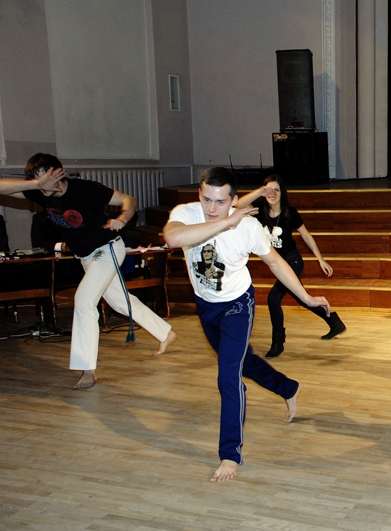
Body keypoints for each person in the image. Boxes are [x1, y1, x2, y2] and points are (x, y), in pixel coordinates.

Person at [163, 167, 330, 482]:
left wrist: (306, 298)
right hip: (206, 305)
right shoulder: (186, 213)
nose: (212, 209)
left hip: (238, 305)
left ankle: (230, 455)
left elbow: (276, 262)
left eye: (221, 202)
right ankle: (288, 387)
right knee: (245, 362)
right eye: (207, 200)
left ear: (234, 199)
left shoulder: (249, 227)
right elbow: (172, 237)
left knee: (228, 375)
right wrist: (225, 220)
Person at [0, 153, 177, 389]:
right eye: (35, 181)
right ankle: (165, 333)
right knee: (119, 301)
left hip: (109, 249)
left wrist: (122, 219)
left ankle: (87, 369)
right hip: (86, 256)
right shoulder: (40, 192)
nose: (41, 187)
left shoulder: (85, 189)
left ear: (58, 172)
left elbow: (129, 200)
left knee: (83, 301)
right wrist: (36, 184)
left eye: (44, 178)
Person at [235, 174, 345, 358]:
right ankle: (334, 323)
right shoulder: (259, 212)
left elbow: (307, 237)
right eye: (268, 190)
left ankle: (278, 343)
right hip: (278, 265)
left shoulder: (289, 212)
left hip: (293, 261)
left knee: (273, 299)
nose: (272, 193)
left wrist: (321, 259)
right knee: (303, 299)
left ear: (281, 192)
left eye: (276, 190)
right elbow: (237, 206)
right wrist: (260, 192)